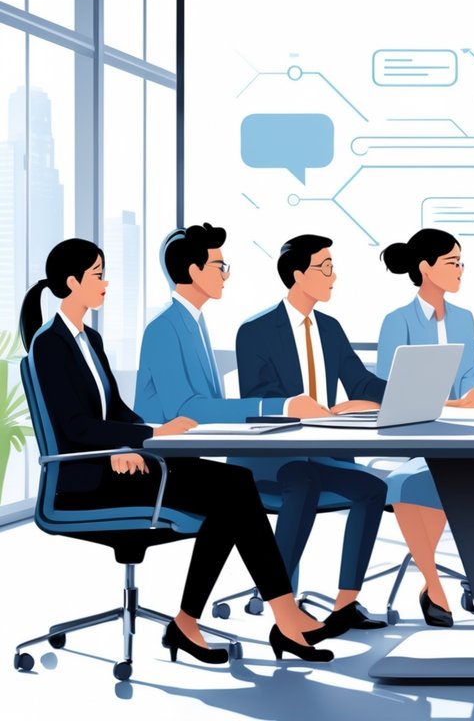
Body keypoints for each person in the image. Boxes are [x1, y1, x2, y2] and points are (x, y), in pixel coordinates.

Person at [21, 239, 333, 664]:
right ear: (72, 282)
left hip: (122, 462)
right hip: (83, 481)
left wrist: (152, 431)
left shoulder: (88, 338)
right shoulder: (49, 343)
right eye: (97, 275)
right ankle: (266, 620)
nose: (106, 283)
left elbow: (113, 409)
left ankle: (249, 620)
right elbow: (74, 426)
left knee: (234, 488)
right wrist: (129, 442)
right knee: (233, 491)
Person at [232, 234, 389, 637]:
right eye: (325, 267)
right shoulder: (256, 330)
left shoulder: (331, 329)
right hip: (272, 458)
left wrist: (402, 393)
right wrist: (298, 406)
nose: (333, 276)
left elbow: (360, 381)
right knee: (304, 482)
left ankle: (346, 604)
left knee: (372, 489)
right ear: (298, 275)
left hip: (321, 452)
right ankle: (282, 612)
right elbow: (258, 400)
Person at [375, 229, 474, 626]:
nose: (460, 270)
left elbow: (470, 376)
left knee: (446, 469)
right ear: (425, 268)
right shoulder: (397, 322)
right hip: (408, 436)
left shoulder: (465, 320)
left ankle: (429, 582)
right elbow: (391, 390)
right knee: (410, 479)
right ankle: (432, 582)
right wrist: (450, 404)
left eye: (461, 262)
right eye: (452, 262)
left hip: (455, 435)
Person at [135, 224, 330, 425]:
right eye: (220, 266)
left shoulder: (195, 321)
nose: (225, 275)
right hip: (166, 453)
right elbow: (185, 410)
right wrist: (282, 407)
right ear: (194, 271)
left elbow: (209, 405)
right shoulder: (162, 330)